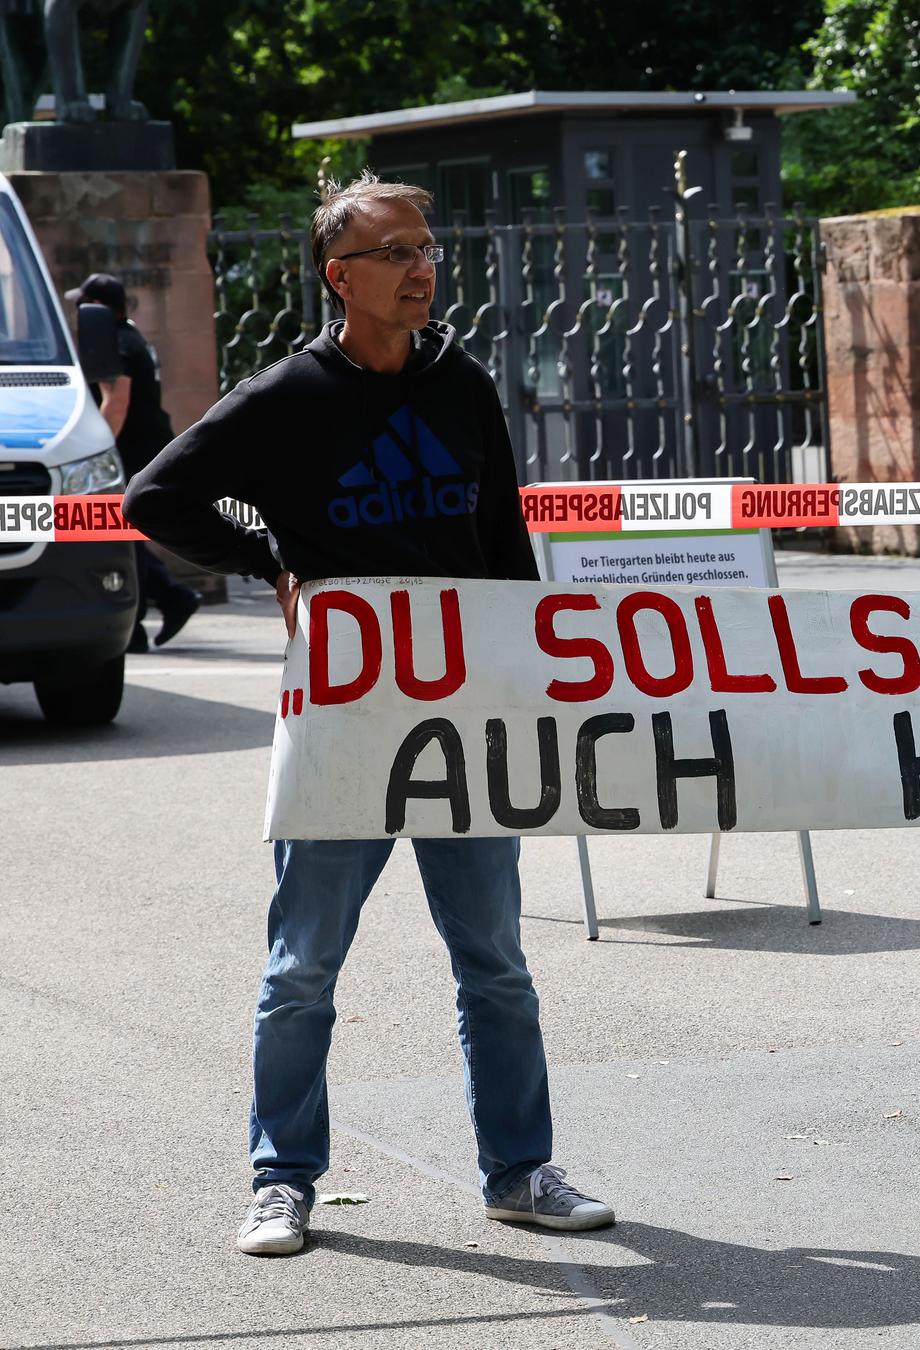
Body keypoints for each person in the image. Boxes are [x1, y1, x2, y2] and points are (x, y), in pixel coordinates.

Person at [124, 171, 613, 1255]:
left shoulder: (463, 381)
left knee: (495, 961)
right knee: (303, 968)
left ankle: (520, 1171)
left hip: (467, 723)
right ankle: (282, 1181)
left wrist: (530, 679)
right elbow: (152, 499)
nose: (422, 266)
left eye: (427, 246)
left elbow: (503, 543)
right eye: (394, 251)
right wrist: (269, 561)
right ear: (340, 275)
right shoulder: (288, 397)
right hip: (347, 723)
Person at [70, 274, 200, 650]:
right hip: (147, 445)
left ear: (99, 307)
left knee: (123, 532)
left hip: (133, 451)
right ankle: (169, 599)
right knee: (126, 532)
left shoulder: (117, 341)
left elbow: (117, 400)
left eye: (84, 304)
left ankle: (141, 620)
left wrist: (96, 451)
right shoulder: (131, 335)